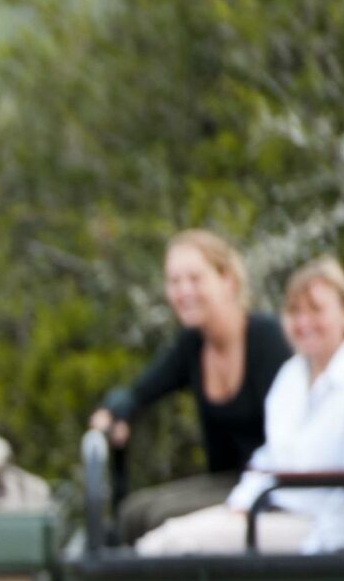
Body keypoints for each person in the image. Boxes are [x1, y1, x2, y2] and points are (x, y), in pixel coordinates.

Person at [138, 257, 344, 556]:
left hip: (316, 530)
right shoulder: (293, 375)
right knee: (159, 534)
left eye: (316, 310)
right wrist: (240, 506)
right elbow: (271, 457)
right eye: (295, 311)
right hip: (270, 513)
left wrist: (311, 559)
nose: (304, 323)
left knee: (170, 545)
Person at [88, 230, 295, 543]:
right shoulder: (192, 346)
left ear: (227, 280)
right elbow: (140, 391)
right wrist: (114, 413)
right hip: (226, 482)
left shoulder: (267, 340)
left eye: (195, 279)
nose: (184, 291)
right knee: (133, 512)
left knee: (157, 519)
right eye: (174, 281)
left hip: (270, 487)